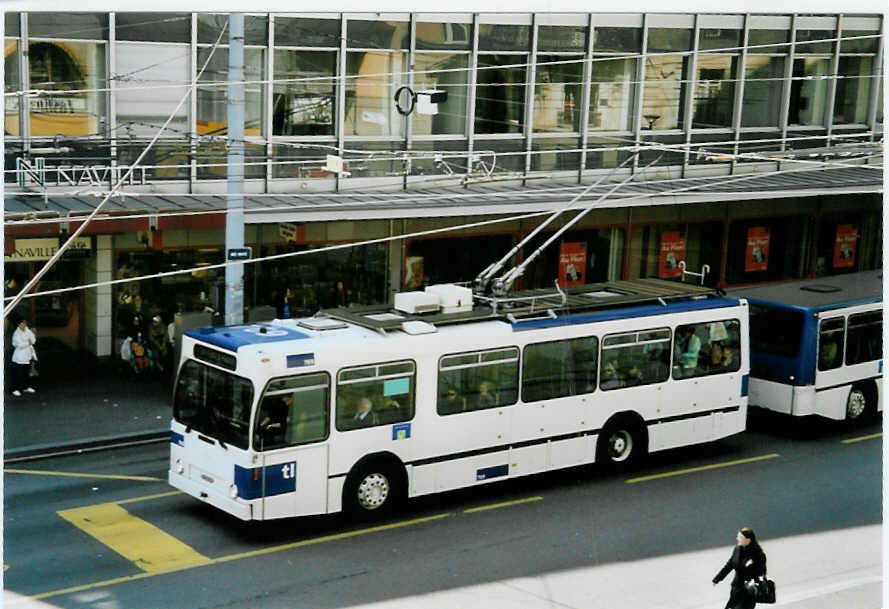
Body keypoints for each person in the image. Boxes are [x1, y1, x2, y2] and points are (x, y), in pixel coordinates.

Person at [712, 527, 767, 609]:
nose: (737, 539)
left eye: (740, 537)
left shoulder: (758, 554)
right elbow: (729, 565)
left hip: (749, 590)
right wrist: (717, 579)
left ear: (748, 540)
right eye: (738, 536)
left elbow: (762, 572)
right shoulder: (737, 550)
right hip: (736, 588)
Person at [10, 317, 37, 396]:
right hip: (19, 357)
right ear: (18, 324)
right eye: (22, 323)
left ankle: (26, 387)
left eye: (25, 323)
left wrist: (29, 341)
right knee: (18, 374)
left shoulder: (27, 330)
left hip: (27, 355)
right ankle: (15, 389)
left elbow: (33, 339)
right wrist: (28, 342)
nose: (24, 325)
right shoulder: (16, 333)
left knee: (26, 373)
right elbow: (19, 345)